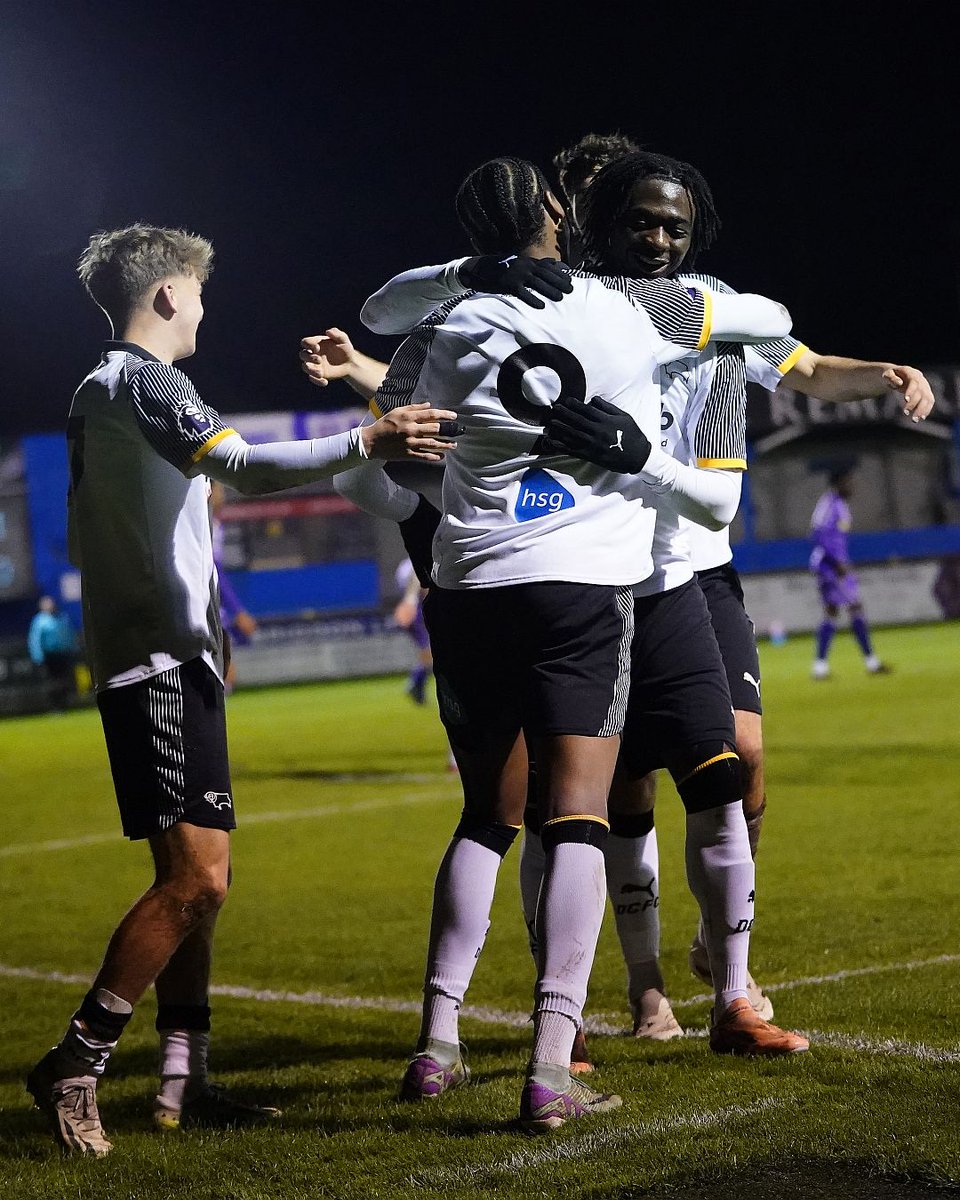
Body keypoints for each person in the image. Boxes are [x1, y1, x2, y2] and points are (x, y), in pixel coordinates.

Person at [355, 155, 796, 1130]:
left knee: (486, 818)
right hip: (583, 590)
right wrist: (644, 438)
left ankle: (438, 1044)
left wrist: (466, 286)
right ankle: (555, 1062)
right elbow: (761, 328)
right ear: (562, 214)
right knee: (581, 818)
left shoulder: (449, 317)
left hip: (468, 590)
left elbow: (376, 440)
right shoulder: (627, 311)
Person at [26, 224, 459, 1158]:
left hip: (172, 657)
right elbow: (237, 464)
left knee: (197, 885)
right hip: (156, 664)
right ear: (170, 295)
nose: (207, 307)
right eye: (199, 289)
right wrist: (370, 433)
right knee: (195, 880)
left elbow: (220, 486)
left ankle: (187, 1079)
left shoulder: (112, 390)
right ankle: (75, 1062)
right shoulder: (142, 378)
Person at [540, 137, 932, 1054]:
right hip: (602, 569)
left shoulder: (718, 312)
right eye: (627, 215)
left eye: (667, 222)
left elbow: (807, 367)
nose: (652, 236)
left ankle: (730, 974)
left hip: (698, 569)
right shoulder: (579, 314)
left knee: (738, 760)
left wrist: (885, 374)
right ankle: (645, 996)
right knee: (622, 787)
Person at [809, 465, 890, 679]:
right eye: (849, 481)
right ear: (839, 482)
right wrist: (837, 562)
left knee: (833, 611)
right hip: (831, 567)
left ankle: (820, 667)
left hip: (835, 565)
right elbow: (819, 533)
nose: (852, 486)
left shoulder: (839, 505)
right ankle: (871, 663)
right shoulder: (829, 504)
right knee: (855, 606)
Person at [209, 481, 258, 694]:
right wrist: (238, 612)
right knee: (223, 667)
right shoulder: (205, 523)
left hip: (210, 603)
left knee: (224, 666)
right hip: (201, 604)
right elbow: (213, 570)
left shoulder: (214, 523)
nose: (222, 495)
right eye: (218, 488)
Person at [27, 595, 78, 712]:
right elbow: (35, 640)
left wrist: (73, 648)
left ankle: (65, 704)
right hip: (49, 656)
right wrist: (38, 656)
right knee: (52, 681)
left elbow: (69, 635)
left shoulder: (62, 618)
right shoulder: (40, 621)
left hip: (63, 654)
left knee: (64, 680)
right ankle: (55, 705)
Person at [394, 556, 432, 704]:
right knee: (429, 652)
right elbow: (421, 587)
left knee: (428, 652)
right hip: (416, 611)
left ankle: (417, 686)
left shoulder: (404, 565)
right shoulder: (420, 561)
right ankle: (415, 683)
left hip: (410, 610)